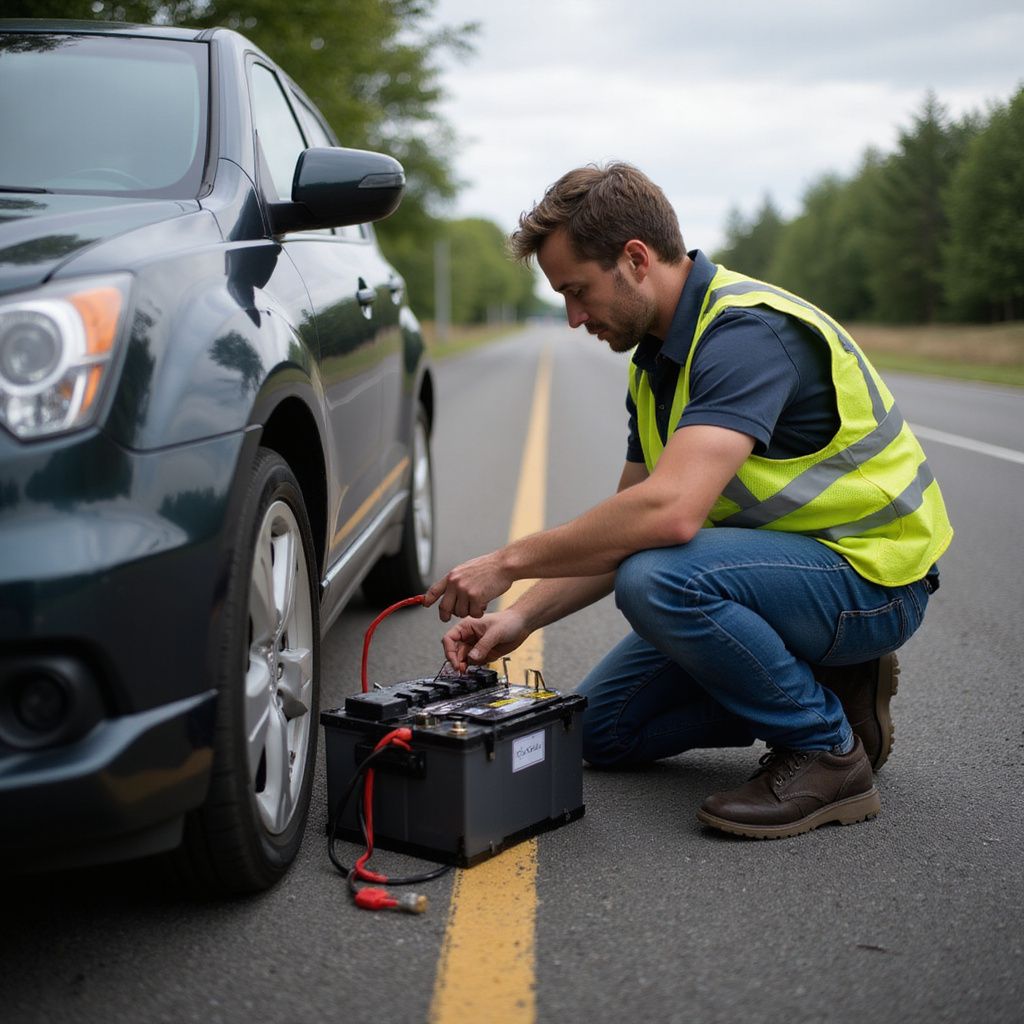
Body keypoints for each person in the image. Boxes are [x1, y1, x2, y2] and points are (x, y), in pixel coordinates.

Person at [423, 163, 952, 839]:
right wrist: (519, 616)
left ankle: (827, 751)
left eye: (578, 291)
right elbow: (621, 529)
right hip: (791, 583)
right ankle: (833, 691)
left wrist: (505, 561)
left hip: (874, 581)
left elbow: (666, 516)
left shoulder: (746, 335)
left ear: (636, 259)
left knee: (658, 578)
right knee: (604, 731)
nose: (573, 316)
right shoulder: (653, 364)